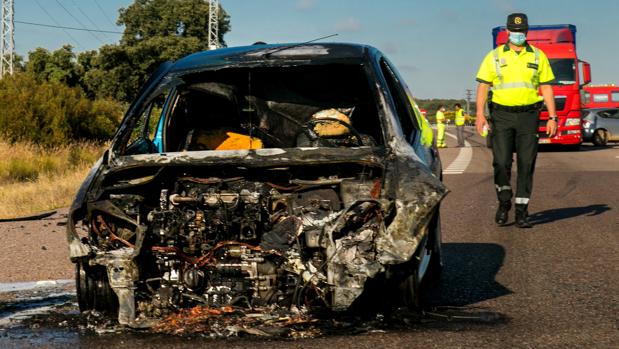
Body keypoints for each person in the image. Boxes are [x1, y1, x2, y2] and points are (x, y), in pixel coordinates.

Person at [475, 13, 557, 228]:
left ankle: (522, 211)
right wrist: (480, 114)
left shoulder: (538, 56)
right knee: (501, 162)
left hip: (529, 117)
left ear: (526, 32)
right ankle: (504, 202)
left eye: (521, 31)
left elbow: (547, 87)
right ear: (507, 32)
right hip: (501, 116)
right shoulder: (493, 56)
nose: (517, 34)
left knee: (526, 164)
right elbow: (483, 86)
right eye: (514, 31)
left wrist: (552, 116)